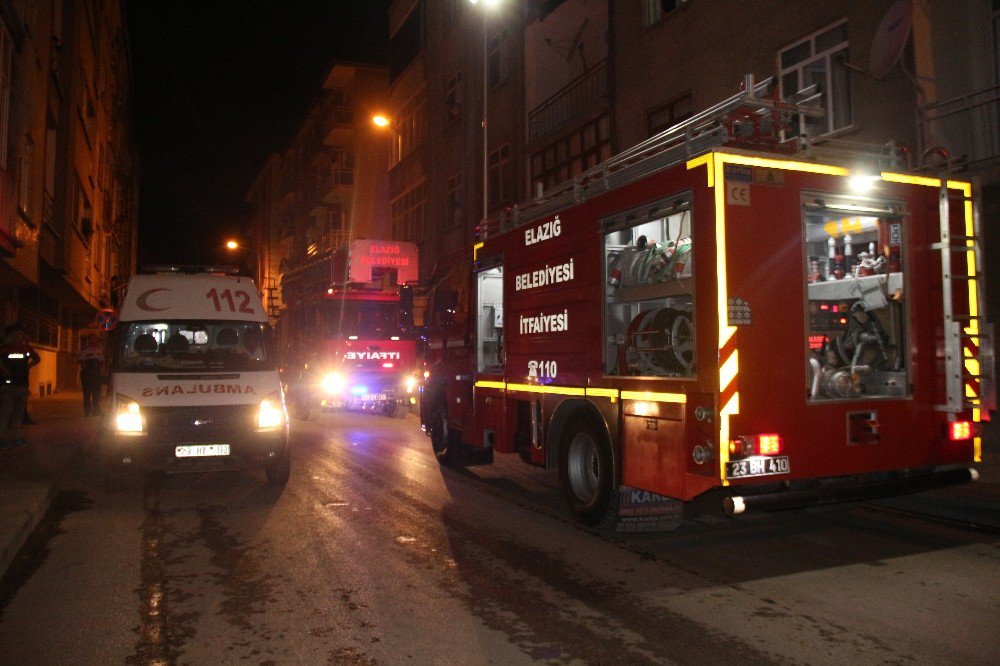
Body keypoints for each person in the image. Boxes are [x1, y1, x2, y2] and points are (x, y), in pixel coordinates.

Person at [0, 322, 41, 447]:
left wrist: (29, 366)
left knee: (18, 414)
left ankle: (16, 438)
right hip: (9, 386)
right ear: (11, 335)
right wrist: (2, 369)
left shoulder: (26, 348)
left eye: (22, 334)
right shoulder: (5, 348)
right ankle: (2, 439)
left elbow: (37, 358)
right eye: (17, 333)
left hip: (23, 385)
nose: (20, 336)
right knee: (6, 414)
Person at [79, 334, 105, 416]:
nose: (94, 341)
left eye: (95, 339)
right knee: (87, 394)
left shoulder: (100, 350)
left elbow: (102, 361)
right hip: (87, 375)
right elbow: (80, 361)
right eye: (92, 339)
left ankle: (96, 410)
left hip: (96, 374)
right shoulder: (84, 350)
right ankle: (87, 411)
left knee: (96, 394)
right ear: (89, 340)